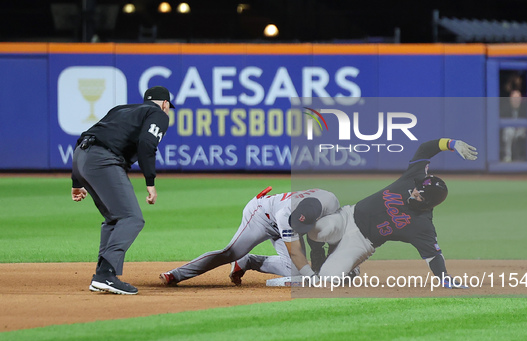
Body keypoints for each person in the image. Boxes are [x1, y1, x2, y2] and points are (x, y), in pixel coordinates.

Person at [307, 138, 478, 288]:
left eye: (420, 194)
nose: (415, 191)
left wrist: (445, 278)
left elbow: (433, 256)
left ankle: (351, 268)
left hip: (361, 243)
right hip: (347, 217)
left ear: (428, 203)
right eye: (418, 187)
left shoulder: (422, 225)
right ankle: (318, 254)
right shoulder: (413, 177)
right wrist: (452, 144)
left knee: (328, 278)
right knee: (317, 229)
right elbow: (425, 149)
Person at [71, 86, 173, 295]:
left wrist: (76, 181)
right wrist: (150, 181)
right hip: (103, 160)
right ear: (164, 104)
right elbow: (147, 143)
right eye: (169, 106)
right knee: (131, 218)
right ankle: (105, 275)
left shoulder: (121, 109)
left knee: (114, 218)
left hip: (81, 156)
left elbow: (84, 138)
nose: (168, 110)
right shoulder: (158, 114)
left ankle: (103, 275)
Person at [159, 187, 340, 286]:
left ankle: (248, 262)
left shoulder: (330, 201)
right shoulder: (286, 215)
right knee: (230, 252)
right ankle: (176, 275)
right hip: (261, 216)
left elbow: (325, 235)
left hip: (283, 217)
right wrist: (311, 276)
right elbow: (296, 252)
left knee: (292, 271)